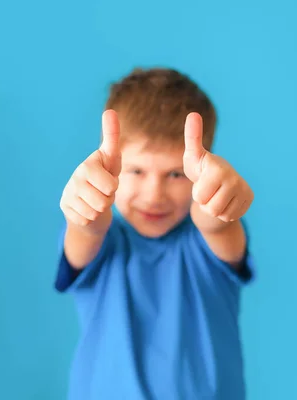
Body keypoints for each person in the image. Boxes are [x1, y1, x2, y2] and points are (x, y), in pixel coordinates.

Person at [54, 67, 256, 400]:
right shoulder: (101, 242)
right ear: (112, 165)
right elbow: (87, 228)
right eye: (136, 170)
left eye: (176, 174)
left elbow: (216, 224)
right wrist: (83, 208)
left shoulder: (206, 243)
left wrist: (219, 202)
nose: (154, 194)